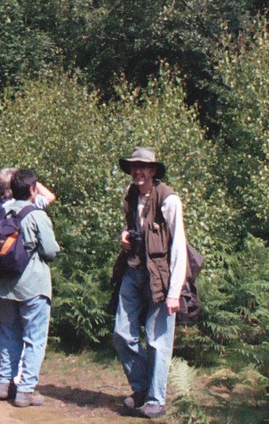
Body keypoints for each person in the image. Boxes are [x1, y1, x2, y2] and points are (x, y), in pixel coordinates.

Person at [112, 147, 188, 420]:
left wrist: (174, 292)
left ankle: (156, 399)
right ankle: (142, 388)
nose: (137, 171)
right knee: (121, 333)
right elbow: (133, 227)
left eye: (143, 167)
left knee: (158, 341)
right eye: (133, 166)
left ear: (153, 170)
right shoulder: (132, 195)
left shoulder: (169, 200)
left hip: (161, 278)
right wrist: (124, 236)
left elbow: (179, 245)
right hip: (133, 272)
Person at [0, 168, 60, 407]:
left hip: (1, 285)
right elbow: (50, 250)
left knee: (8, 334)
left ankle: (4, 385)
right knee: (35, 338)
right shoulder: (37, 215)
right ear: (31, 189)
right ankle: (25, 391)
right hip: (32, 285)